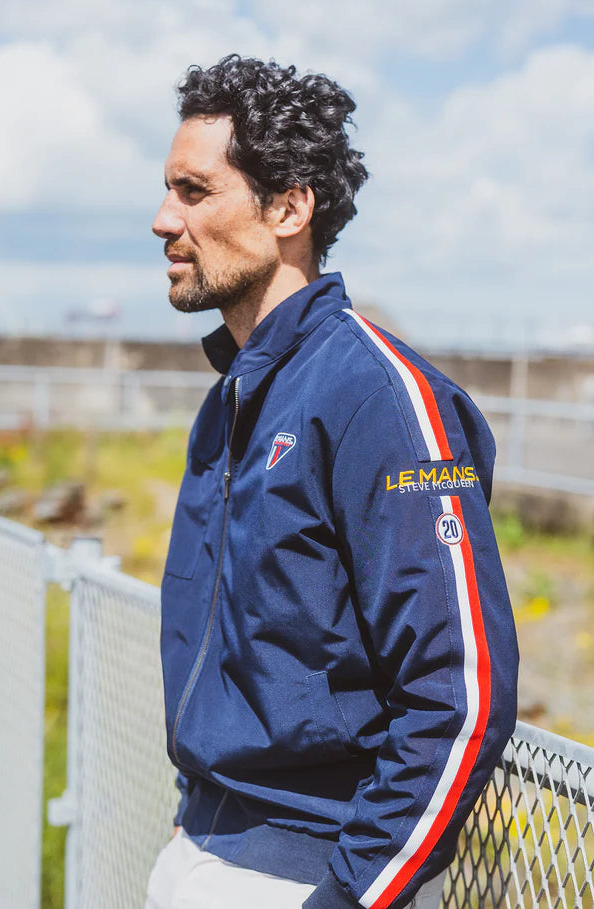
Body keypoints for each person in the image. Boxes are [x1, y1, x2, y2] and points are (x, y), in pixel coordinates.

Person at [147, 54, 519, 909]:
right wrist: (196, 821)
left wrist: (350, 896)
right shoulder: (232, 400)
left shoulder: (379, 398)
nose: (165, 219)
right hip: (201, 852)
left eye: (195, 191)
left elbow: (462, 693)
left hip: (310, 879)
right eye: (169, 190)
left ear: (289, 208)